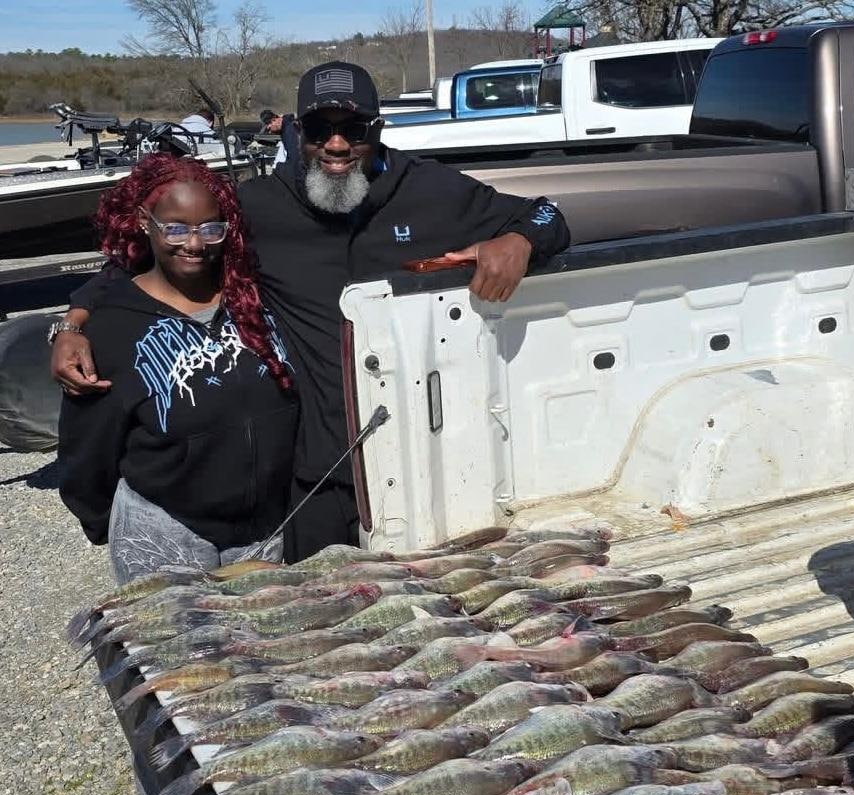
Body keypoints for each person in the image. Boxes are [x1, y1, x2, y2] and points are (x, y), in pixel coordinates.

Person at [53, 60, 570, 562]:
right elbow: (143, 262)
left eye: (354, 128)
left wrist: (520, 240)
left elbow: (549, 212)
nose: (338, 145)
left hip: (423, 464)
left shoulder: (432, 191)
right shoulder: (258, 207)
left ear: (379, 127)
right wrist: (74, 321)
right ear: (299, 132)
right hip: (315, 475)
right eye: (321, 128)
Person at [57, 155, 298, 795]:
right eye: (176, 227)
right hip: (165, 525)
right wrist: (112, 524)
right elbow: (87, 452)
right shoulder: (116, 319)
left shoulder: (257, 297)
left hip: (262, 525)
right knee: (173, 693)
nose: (194, 243)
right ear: (143, 225)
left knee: (257, 680)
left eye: (210, 226)